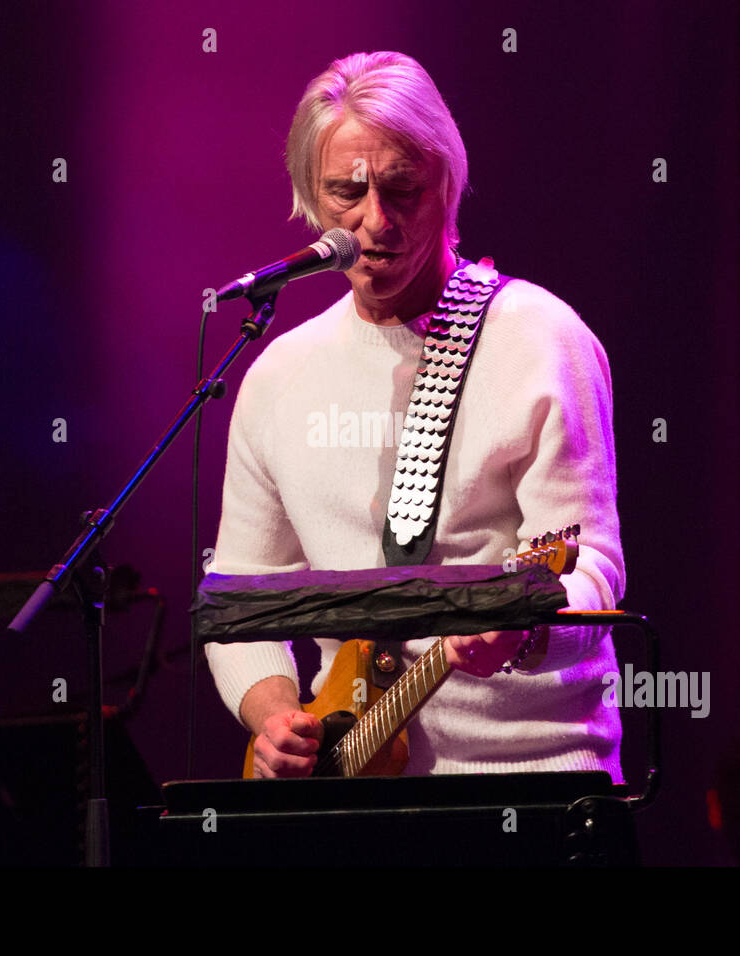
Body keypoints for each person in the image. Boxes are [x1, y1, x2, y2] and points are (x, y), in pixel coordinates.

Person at [205, 50, 626, 780]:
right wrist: (272, 716)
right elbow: (241, 595)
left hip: (533, 778)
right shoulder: (278, 376)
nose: (376, 220)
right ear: (310, 195)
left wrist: (520, 634)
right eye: (347, 192)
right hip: (353, 783)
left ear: (447, 189)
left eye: (405, 190)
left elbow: (591, 567)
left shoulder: (541, 340)